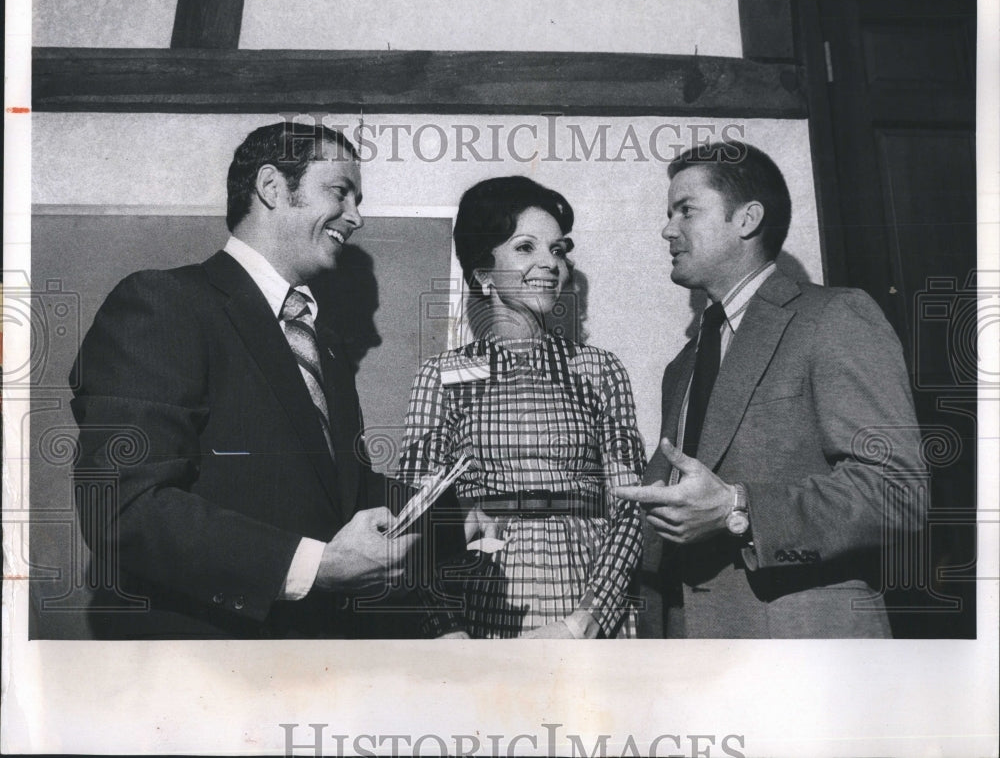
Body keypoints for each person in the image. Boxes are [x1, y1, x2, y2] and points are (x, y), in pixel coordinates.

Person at [70, 122, 419, 638]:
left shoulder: (317, 339)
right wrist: (315, 567)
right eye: (339, 192)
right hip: (203, 663)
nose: (357, 217)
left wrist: (451, 515)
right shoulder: (163, 303)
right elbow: (124, 507)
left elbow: (338, 491)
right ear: (273, 187)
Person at [613, 141, 926, 638]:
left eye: (686, 210)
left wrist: (738, 508)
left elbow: (898, 494)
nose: (667, 229)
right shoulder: (684, 365)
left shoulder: (835, 317)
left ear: (747, 219)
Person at [397, 176, 645, 639]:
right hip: (486, 598)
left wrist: (587, 620)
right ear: (483, 274)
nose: (549, 264)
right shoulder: (443, 376)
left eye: (558, 250)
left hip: (586, 594)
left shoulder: (599, 369)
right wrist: (446, 629)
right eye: (526, 248)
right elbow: (416, 516)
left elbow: (632, 508)